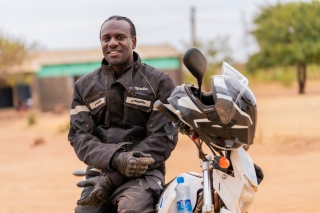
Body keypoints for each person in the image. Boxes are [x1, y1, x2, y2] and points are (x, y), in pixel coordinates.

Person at [68, 15, 178, 213]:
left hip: (145, 174)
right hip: (99, 172)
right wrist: (116, 159)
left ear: (133, 41)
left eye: (120, 37)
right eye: (106, 38)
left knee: (132, 208)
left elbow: (163, 138)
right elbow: (79, 136)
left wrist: (112, 177)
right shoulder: (84, 86)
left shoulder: (159, 82)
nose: (112, 43)